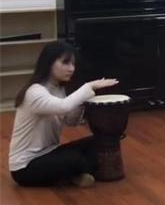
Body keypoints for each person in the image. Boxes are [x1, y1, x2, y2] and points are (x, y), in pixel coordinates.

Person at [8, 41, 118, 187]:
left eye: (73, 64)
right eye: (65, 63)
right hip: (25, 167)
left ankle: (74, 174)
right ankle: (76, 173)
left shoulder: (58, 89)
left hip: (50, 152)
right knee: (75, 159)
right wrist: (89, 86)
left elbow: (71, 121)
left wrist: (82, 102)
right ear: (49, 63)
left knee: (99, 142)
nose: (71, 68)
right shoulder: (35, 92)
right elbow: (63, 107)